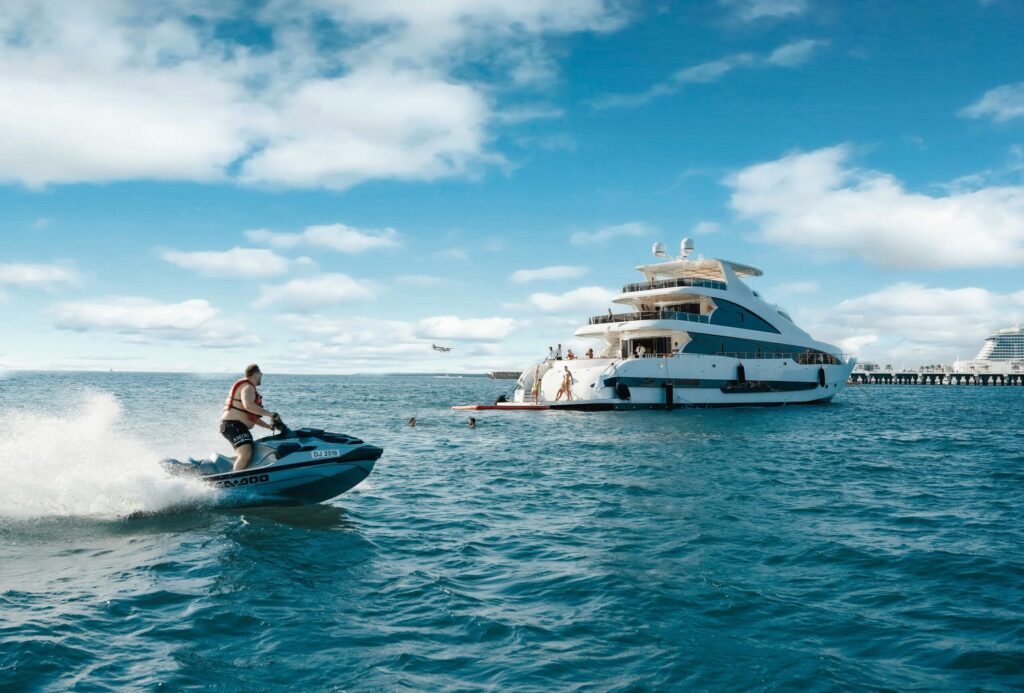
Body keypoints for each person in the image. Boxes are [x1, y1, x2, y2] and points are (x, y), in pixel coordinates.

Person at [220, 364, 279, 472]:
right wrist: (271, 414)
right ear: (256, 374)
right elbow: (249, 406)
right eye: (261, 374)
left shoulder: (248, 387)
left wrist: (268, 426)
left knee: (246, 453)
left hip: (235, 426)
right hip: (233, 425)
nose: (262, 376)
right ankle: (235, 479)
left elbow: (251, 415)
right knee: (245, 453)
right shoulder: (248, 387)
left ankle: (236, 472)